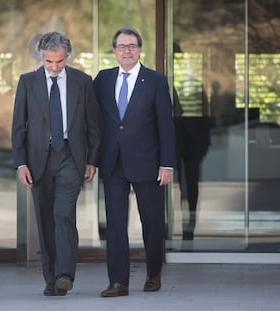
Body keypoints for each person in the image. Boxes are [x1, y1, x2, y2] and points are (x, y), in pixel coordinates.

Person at [11, 31, 101, 296]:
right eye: (49, 61)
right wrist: (21, 164)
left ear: (67, 57)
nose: (54, 67)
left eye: (59, 62)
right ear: (42, 56)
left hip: (70, 159)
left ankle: (64, 274)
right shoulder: (27, 82)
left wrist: (92, 160)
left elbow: (93, 125)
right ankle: (50, 278)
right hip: (39, 160)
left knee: (63, 215)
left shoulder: (82, 82)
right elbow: (19, 126)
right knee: (45, 219)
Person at [93, 27, 176, 297]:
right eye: (121, 46)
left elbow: (166, 125)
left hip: (148, 162)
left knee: (151, 221)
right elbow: (93, 121)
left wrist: (167, 163)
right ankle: (119, 282)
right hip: (112, 161)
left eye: (131, 46)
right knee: (115, 223)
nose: (126, 50)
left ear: (140, 49)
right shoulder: (102, 80)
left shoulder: (155, 81)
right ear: (114, 51)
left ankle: (153, 273)